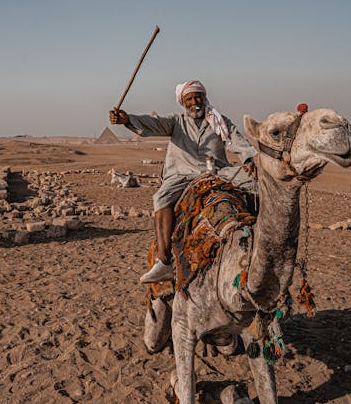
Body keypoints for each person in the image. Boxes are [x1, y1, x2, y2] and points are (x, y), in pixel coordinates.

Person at [109, 79, 257, 283]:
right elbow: (152, 124)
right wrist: (127, 120)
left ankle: (261, 242)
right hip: (182, 173)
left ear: (205, 98)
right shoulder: (176, 122)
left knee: (255, 185)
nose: (195, 101)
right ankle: (163, 260)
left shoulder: (219, 121)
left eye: (198, 97)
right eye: (189, 99)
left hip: (218, 170)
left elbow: (235, 140)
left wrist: (248, 158)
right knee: (161, 197)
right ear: (183, 102)